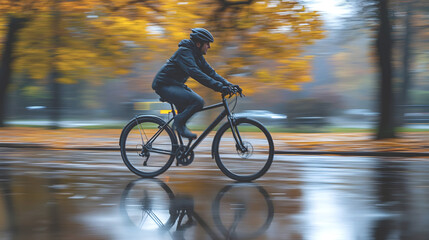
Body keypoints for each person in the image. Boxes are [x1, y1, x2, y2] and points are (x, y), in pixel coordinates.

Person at [152, 28, 241, 139]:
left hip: (176, 85)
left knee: (188, 109)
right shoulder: (184, 53)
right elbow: (196, 74)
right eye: (207, 43)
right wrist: (220, 88)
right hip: (164, 85)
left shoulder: (197, 55)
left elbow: (211, 73)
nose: (209, 46)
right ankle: (178, 123)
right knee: (197, 102)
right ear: (198, 44)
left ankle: (181, 148)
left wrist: (229, 85)